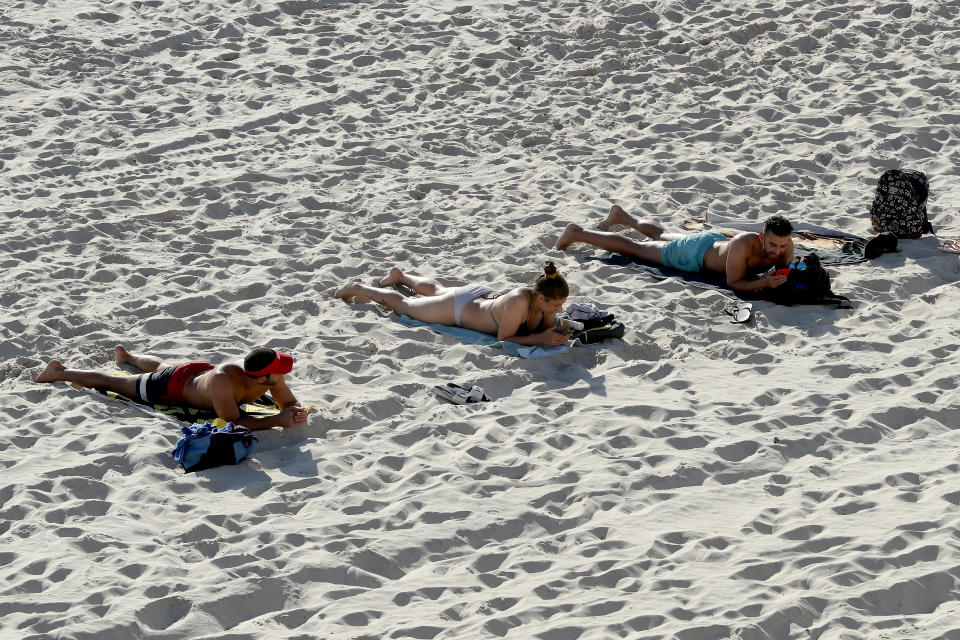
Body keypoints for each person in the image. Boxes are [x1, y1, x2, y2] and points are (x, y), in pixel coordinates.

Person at [35, 346, 309, 431]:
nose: (285, 373)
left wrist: (294, 412)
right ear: (262, 379)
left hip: (196, 372)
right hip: (173, 387)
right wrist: (276, 420)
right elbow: (231, 422)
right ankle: (59, 371)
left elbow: (289, 402)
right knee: (117, 383)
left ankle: (129, 357)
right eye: (280, 369)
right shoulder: (225, 380)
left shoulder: (271, 376)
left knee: (164, 363)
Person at [555, 205, 796, 292]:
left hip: (708, 241)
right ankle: (576, 233)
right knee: (635, 248)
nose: (778, 250)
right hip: (692, 255)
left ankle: (621, 216)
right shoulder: (744, 244)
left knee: (660, 234)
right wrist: (763, 282)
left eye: (782, 245)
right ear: (762, 237)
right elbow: (734, 283)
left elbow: (786, 271)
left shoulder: (786, 245)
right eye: (773, 244)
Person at [334, 261, 572, 346]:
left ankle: (401, 276)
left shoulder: (541, 301)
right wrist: (542, 338)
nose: (559, 309)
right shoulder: (520, 301)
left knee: (437, 290)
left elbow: (544, 329)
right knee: (405, 306)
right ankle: (358, 288)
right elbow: (504, 339)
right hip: (458, 310)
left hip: (477, 297)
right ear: (541, 297)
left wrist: (555, 331)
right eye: (556, 304)